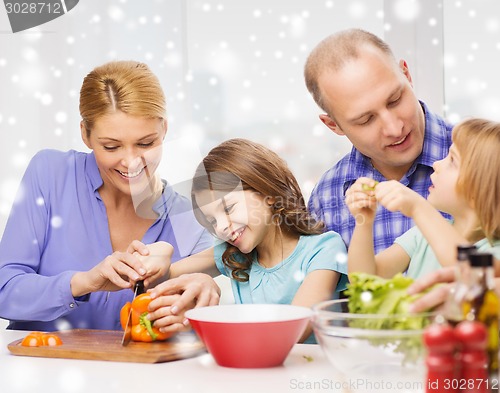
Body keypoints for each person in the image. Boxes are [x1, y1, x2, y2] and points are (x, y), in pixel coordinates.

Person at [0, 60, 215, 332]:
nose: (131, 162)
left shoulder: (191, 221)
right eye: (111, 147)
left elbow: (190, 322)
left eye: (146, 143)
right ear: (85, 135)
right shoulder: (50, 175)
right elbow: (4, 290)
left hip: (135, 374)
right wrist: (84, 282)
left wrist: (192, 310)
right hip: (37, 367)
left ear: (164, 129)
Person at [146, 138, 349, 343]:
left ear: (267, 193)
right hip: (256, 370)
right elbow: (161, 278)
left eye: (228, 208)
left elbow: (296, 329)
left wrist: (211, 326)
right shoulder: (234, 254)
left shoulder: (324, 250)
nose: (221, 227)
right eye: (212, 220)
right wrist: (159, 256)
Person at [304, 28, 453, 253]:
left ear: (407, 75)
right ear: (333, 125)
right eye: (366, 120)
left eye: (394, 100)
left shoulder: (486, 157)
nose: (394, 128)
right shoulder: (326, 199)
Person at [345, 118, 500, 279]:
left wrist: (419, 208)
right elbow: (365, 279)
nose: (436, 164)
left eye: (453, 161)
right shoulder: (422, 236)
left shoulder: (495, 252)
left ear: (482, 187)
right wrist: (364, 222)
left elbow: (472, 273)